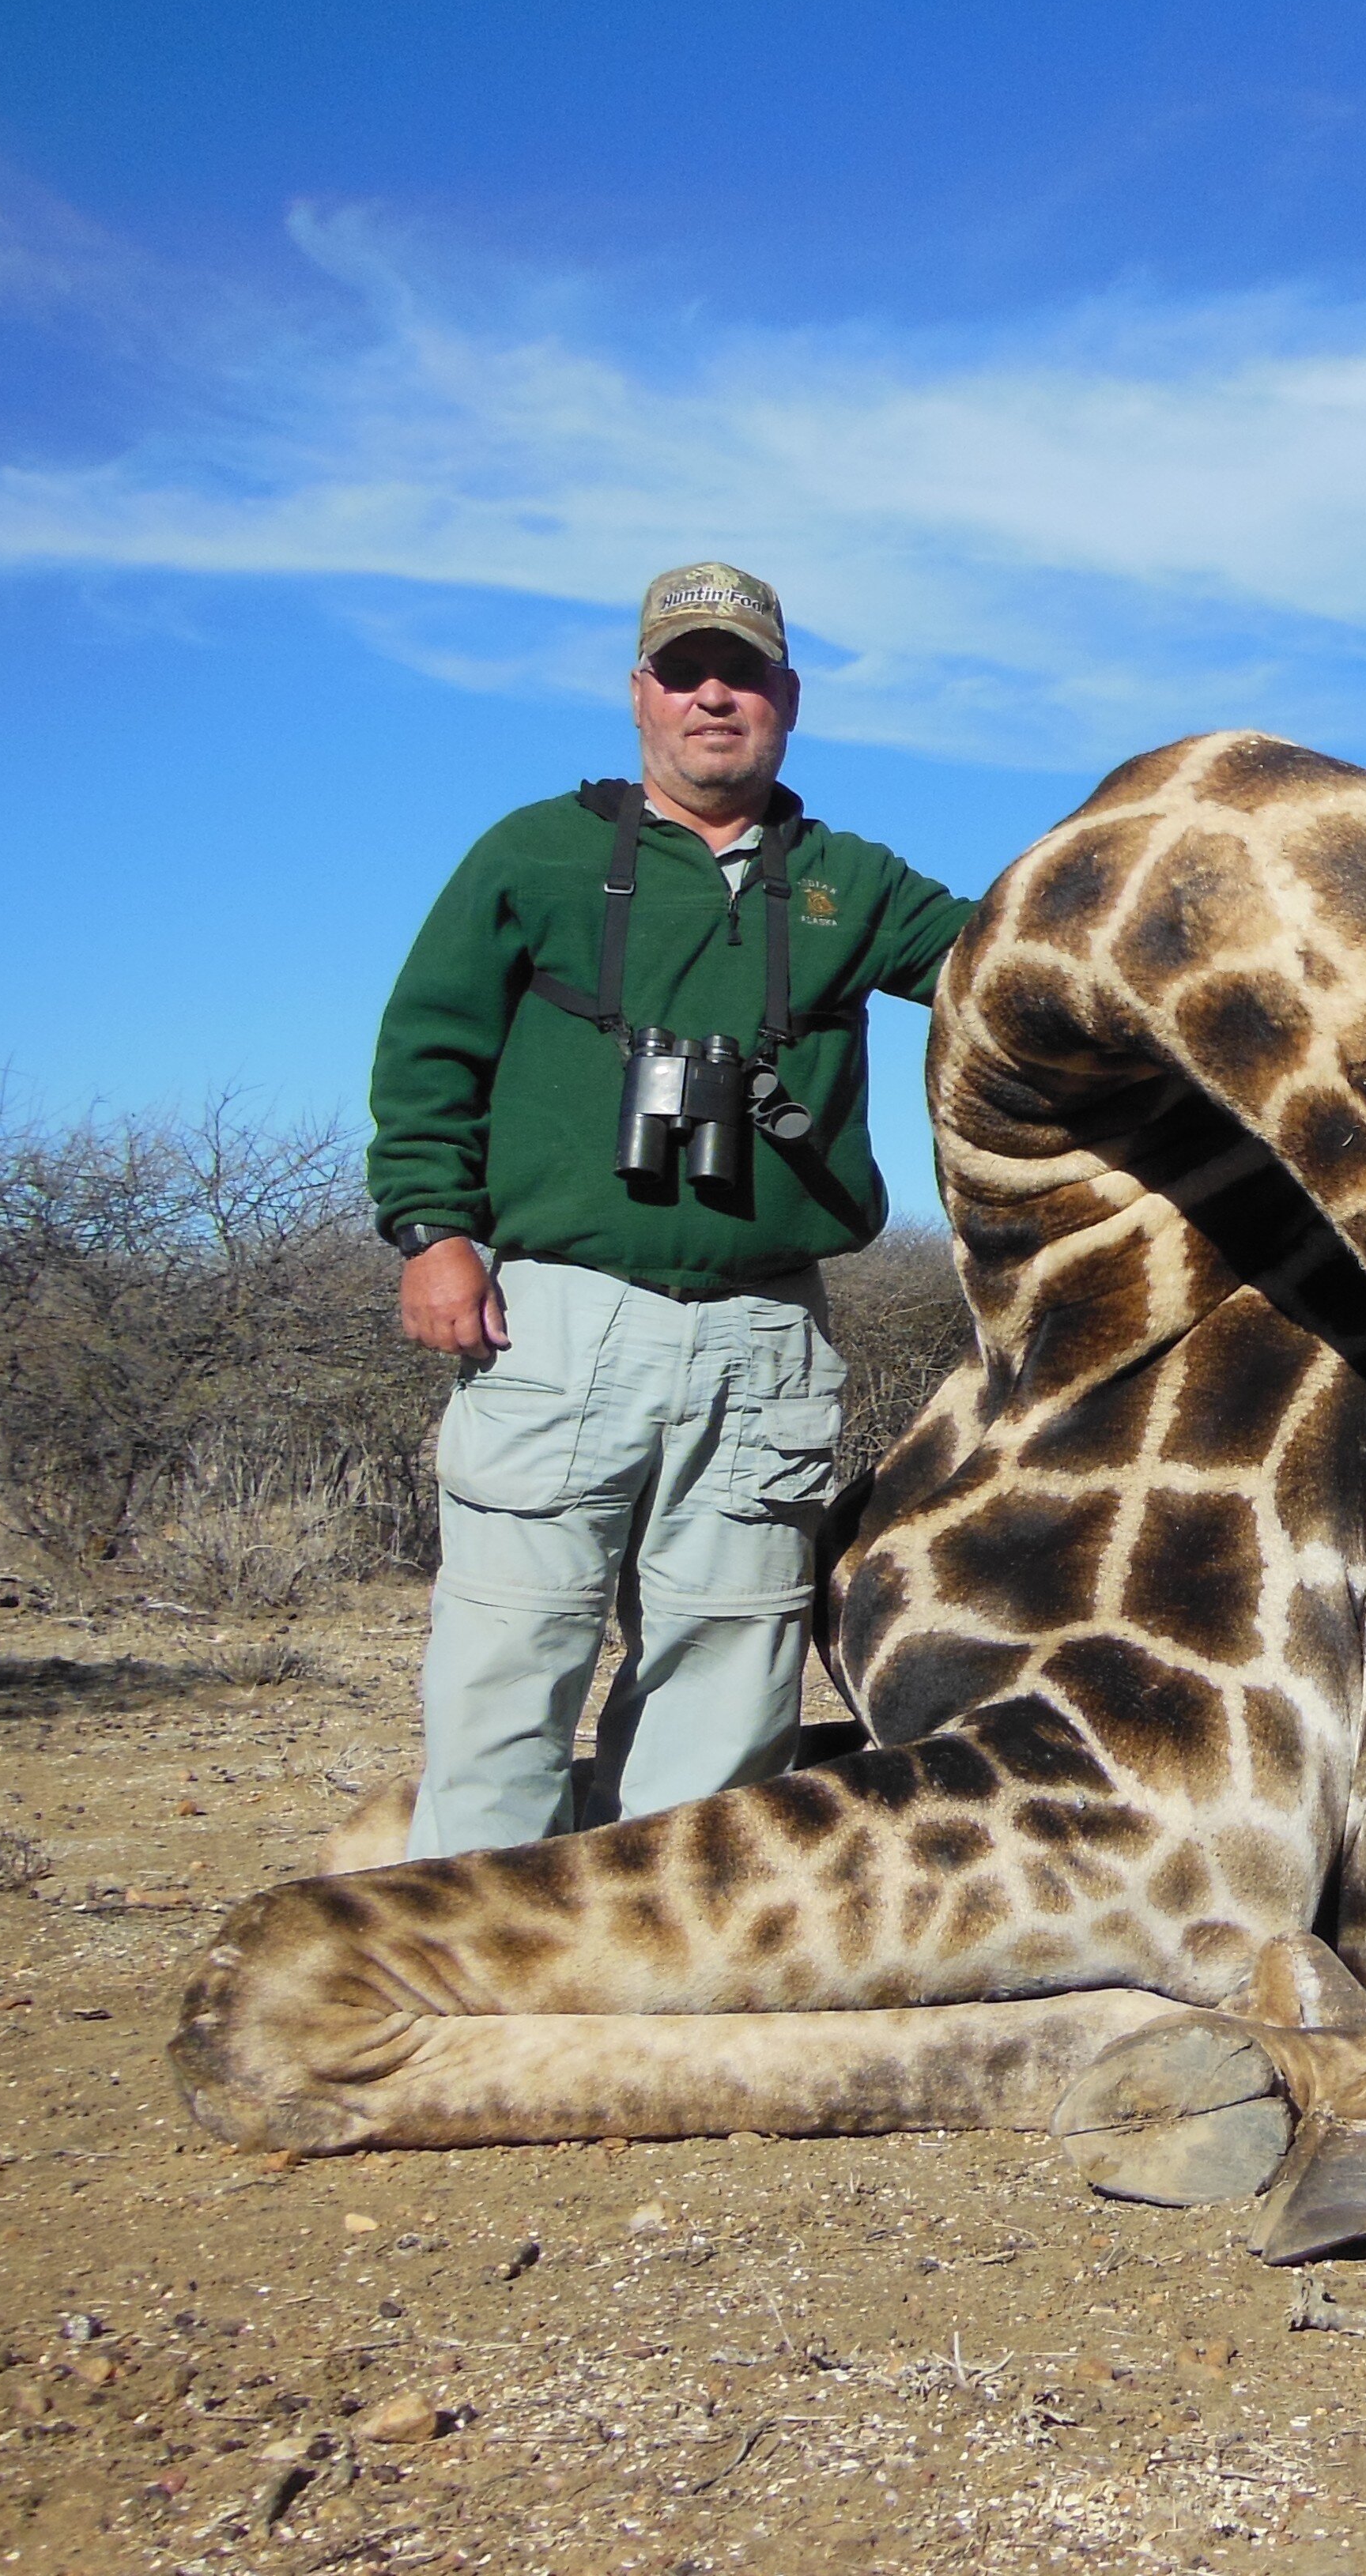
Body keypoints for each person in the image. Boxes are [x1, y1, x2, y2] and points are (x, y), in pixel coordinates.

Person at [368, 564, 977, 1857]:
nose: (716, 695)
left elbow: (1013, 969)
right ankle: (461, 1967)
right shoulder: (534, 851)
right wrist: (434, 1232)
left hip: (765, 1336)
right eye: (687, 671)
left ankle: (649, 1988)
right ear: (639, 694)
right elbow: (430, 1048)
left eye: (744, 674)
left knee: (730, 1680)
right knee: (505, 1663)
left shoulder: (848, 880)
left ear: (788, 700)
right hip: (550, 1322)